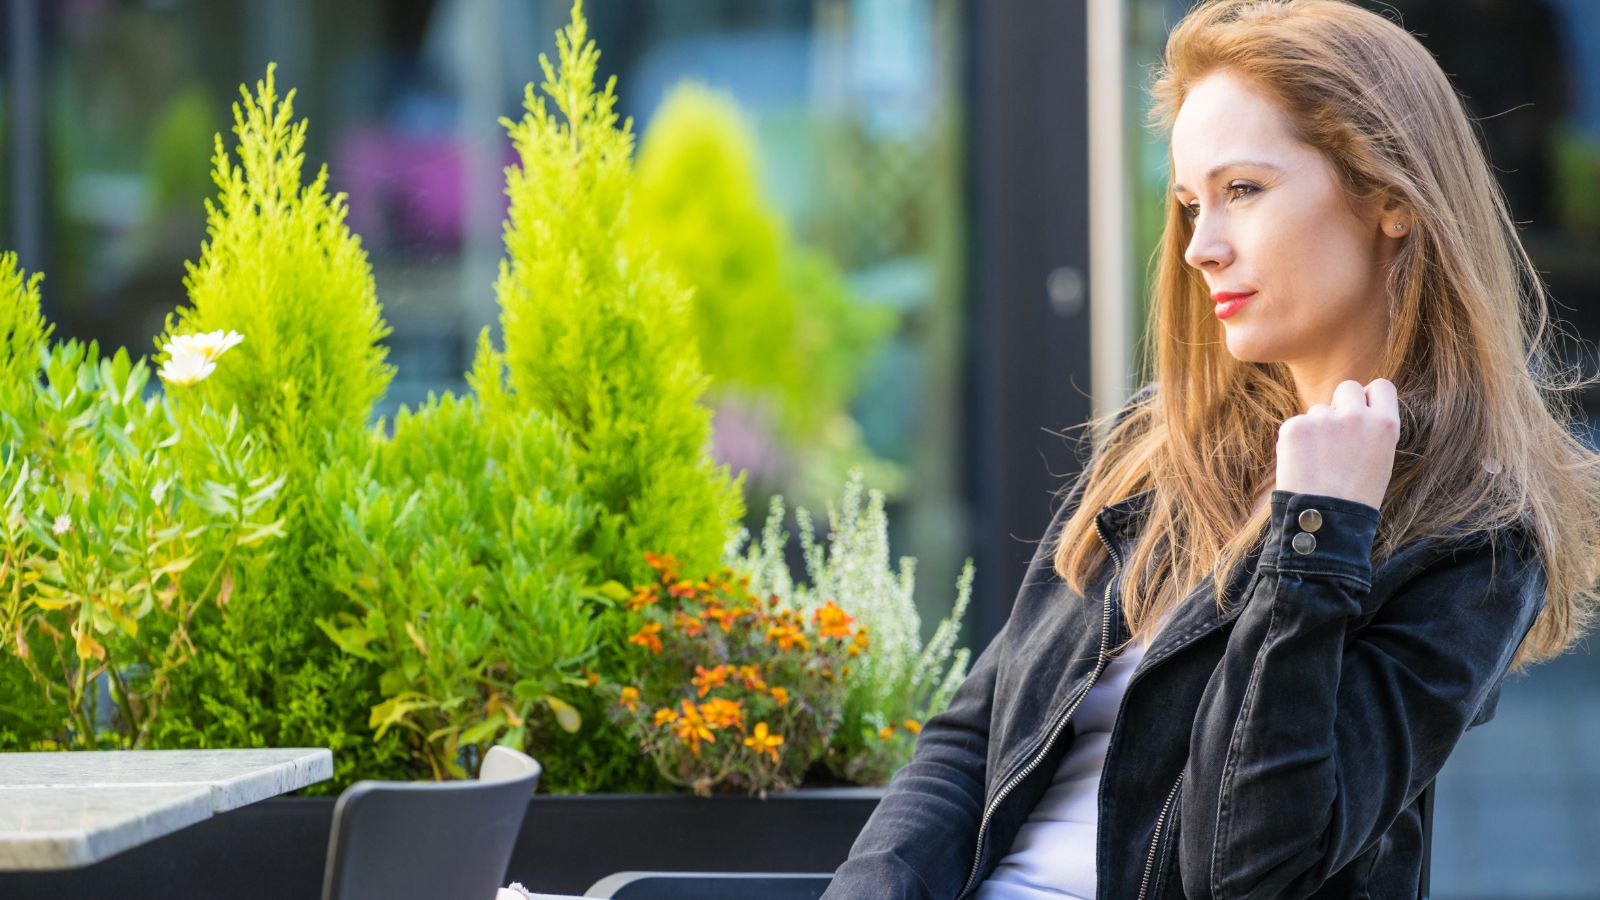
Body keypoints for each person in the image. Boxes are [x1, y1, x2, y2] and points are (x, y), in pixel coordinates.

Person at [820, 1, 1600, 898]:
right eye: (1191, 204)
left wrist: (1318, 533)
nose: (1200, 247)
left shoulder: (1472, 537)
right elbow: (972, 741)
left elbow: (1247, 865)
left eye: (1243, 190)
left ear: (1389, 197)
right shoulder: (1158, 447)